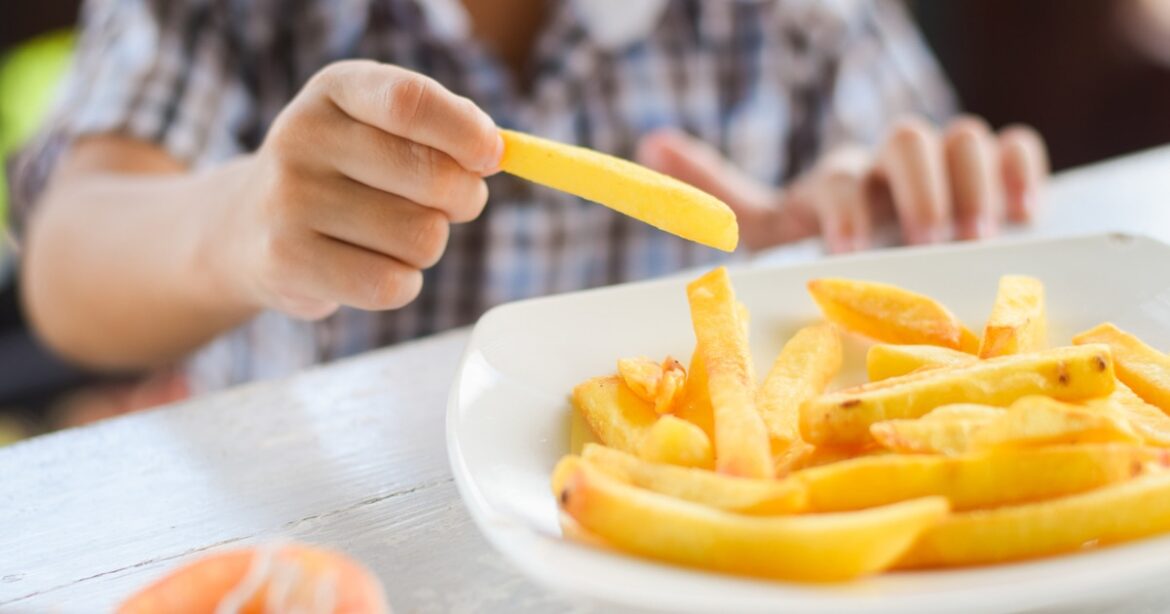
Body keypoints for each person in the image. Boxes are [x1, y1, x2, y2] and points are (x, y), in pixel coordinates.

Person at [9, 0, 1047, 397]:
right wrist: (236, 226)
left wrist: (863, 221)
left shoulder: (800, 23)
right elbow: (69, 264)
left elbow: (901, 216)